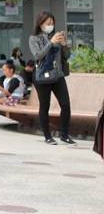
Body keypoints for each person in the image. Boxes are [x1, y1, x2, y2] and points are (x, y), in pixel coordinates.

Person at [29, 12, 75, 145]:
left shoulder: (57, 36)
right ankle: (47, 136)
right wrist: (51, 42)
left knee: (65, 105)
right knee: (45, 106)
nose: (50, 26)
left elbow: (66, 56)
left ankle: (64, 134)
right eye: (47, 23)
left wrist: (65, 44)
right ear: (40, 24)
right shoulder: (34, 38)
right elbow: (38, 55)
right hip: (42, 76)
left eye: (52, 23)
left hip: (58, 75)